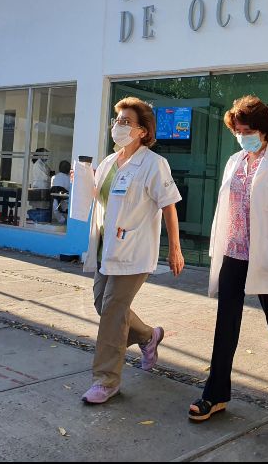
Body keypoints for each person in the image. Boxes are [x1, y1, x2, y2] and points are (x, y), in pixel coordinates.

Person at [188, 95, 268, 422]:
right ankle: (215, 394)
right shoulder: (233, 161)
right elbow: (225, 207)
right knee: (226, 321)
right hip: (235, 252)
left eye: (247, 129)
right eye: (238, 130)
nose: (242, 135)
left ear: (263, 129)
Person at [80, 97, 185, 404]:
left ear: (142, 131)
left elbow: (169, 206)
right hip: (105, 248)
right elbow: (99, 200)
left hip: (135, 250)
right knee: (103, 304)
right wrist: (82, 181)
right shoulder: (111, 162)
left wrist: (175, 249)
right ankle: (148, 336)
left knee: (112, 314)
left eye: (126, 122)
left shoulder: (153, 164)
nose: (119, 126)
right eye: (117, 121)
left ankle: (106, 380)